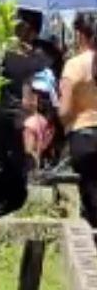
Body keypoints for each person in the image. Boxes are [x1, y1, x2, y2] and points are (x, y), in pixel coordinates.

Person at [61, 14, 97, 226]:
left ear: (80, 35)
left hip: (83, 137)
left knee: (91, 198)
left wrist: (64, 122)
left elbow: (65, 110)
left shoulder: (73, 65)